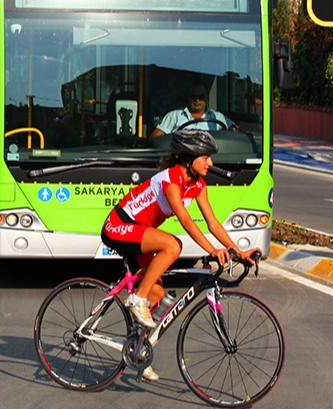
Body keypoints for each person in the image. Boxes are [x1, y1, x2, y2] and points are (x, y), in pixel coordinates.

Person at [100, 129, 259, 382]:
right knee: (173, 246)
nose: (211, 163)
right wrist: (212, 250)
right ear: (190, 157)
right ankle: (135, 298)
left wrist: (238, 251)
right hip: (119, 225)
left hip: (140, 231)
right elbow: (185, 220)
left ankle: (138, 352)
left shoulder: (197, 184)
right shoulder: (171, 180)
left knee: (159, 294)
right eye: (206, 157)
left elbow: (213, 223)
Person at [149, 82, 236, 139]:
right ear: (188, 97)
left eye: (201, 96)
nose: (197, 100)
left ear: (206, 98)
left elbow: (237, 132)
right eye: (193, 96)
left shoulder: (218, 117)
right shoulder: (174, 115)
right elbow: (155, 138)